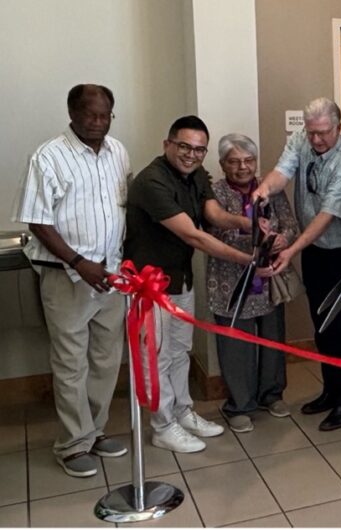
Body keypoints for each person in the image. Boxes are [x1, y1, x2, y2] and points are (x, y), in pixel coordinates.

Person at [125, 115, 264, 453]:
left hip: (181, 279)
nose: (191, 155)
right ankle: (162, 425)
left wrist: (251, 224)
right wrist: (248, 261)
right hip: (150, 286)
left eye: (199, 149)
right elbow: (194, 235)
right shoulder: (151, 182)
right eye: (184, 147)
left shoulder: (196, 174)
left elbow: (214, 215)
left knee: (179, 351)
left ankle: (182, 411)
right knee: (154, 357)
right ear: (167, 144)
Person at [12, 84, 131, 477]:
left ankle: (94, 431)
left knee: (106, 359)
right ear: (72, 113)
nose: (98, 123)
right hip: (68, 277)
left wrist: (115, 265)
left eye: (105, 115)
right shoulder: (49, 157)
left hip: (110, 276)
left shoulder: (118, 152)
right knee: (70, 362)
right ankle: (72, 444)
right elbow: (37, 220)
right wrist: (79, 263)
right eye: (90, 115)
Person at [252, 97, 341, 432]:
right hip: (316, 249)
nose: (316, 140)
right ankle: (331, 390)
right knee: (322, 324)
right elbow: (281, 173)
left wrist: (291, 251)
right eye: (312, 132)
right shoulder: (301, 140)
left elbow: (326, 217)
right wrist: (263, 190)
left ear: (338, 127)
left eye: (323, 133)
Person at [206, 133, 299, 433]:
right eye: (234, 162)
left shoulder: (269, 189)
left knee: (272, 338)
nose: (242, 167)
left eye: (248, 161)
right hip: (230, 282)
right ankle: (239, 404)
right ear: (222, 164)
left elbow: (291, 224)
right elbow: (211, 234)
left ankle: (271, 394)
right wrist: (253, 241)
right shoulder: (214, 193)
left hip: (269, 279)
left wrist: (283, 239)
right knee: (236, 345)